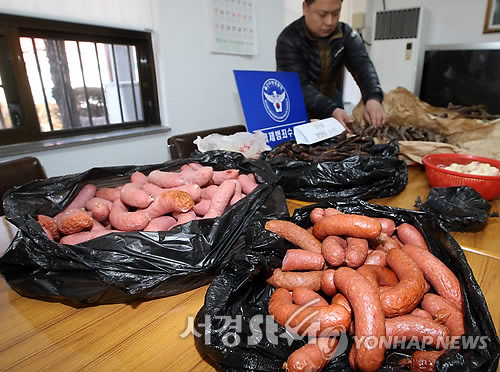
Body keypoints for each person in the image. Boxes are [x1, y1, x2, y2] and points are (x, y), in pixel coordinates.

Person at [276, 0, 388, 128]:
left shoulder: (345, 34)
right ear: (305, 8)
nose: (329, 22)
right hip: (298, 108)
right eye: (322, 14)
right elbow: (298, 86)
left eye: (336, 13)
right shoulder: (289, 39)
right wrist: (331, 109)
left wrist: (373, 98)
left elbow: (363, 65)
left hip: (332, 100)